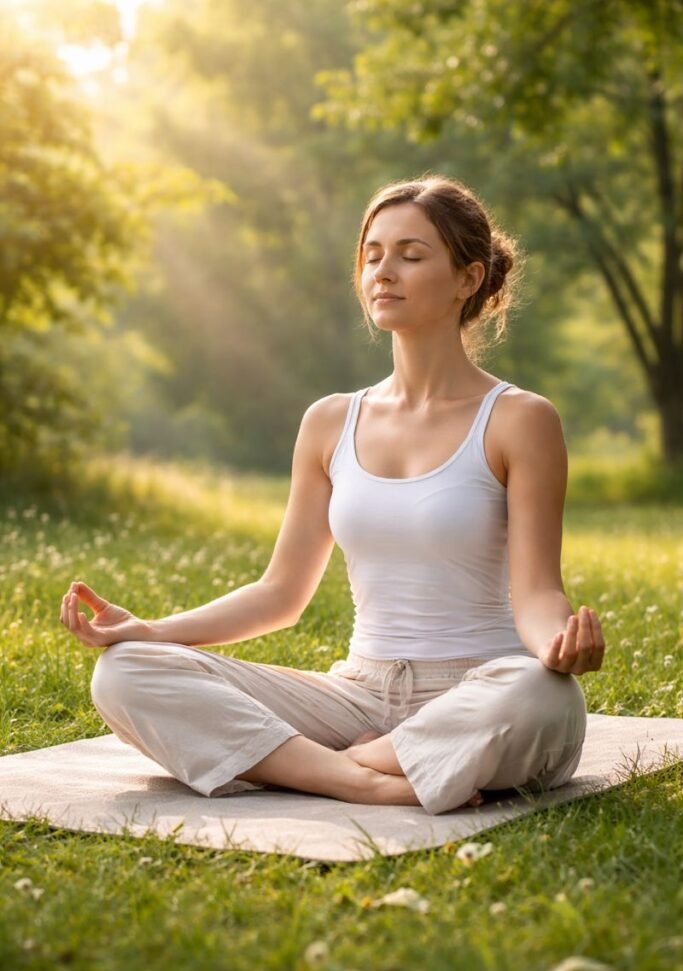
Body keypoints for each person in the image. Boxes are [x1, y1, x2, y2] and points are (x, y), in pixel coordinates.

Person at [59, 174, 605, 816]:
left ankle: (316, 764)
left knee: (547, 698)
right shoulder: (330, 421)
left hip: (481, 687)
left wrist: (556, 647)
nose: (384, 270)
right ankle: (364, 777)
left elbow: (537, 592)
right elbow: (280, 595)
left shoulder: (520, 418)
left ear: (468, 278)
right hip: (357, 697)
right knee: (127, 672)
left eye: (411, 253)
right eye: (372, 254)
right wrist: (153, 631)